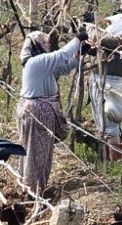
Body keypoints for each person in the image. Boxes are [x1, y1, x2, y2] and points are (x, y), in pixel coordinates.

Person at [16, 29, 86, 195]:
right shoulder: (36, 62)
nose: (48, 45)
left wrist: (79, 55)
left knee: (34, 151)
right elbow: (61, 55)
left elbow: (62, 68)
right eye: (45, 43)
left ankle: (29, 186)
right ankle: (34, 191)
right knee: (37, 153)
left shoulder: (38, 64)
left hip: (34, 110)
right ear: (38, 46)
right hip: (37, 112)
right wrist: (78, 39)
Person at [87, 13, 122, 160]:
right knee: (108, 122)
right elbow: (95, 47)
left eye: (110, 24)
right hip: (104, 83)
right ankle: (111, 158)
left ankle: (114, 160)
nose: (108, 27)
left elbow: (99, 38)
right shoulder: (116, 43)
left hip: (107, 85)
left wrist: (88, 25)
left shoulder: (119, 42)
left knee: (110, 124)